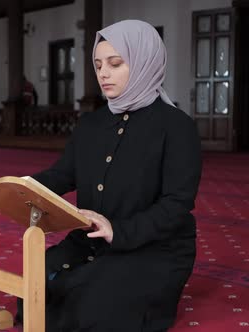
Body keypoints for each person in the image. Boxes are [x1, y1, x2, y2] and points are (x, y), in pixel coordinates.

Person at [16, 20, 202, 331]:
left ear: (145, 63)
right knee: (33, 286)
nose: (103, 73)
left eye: (115, 64)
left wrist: (119, 230)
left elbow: (177, 204)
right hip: (91, 240)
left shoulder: (176, 127)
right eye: (99, 64)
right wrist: (13, 188)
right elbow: (62, 175)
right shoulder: (91, 124)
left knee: (88, 307)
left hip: (154, 248)